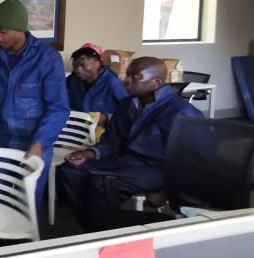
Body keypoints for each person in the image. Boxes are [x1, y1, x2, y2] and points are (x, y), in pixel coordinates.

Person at [56, 57, 201, 232]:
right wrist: (89, 154)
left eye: (136, 76)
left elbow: (194, 161)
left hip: (157, 169)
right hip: (124, 161)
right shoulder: (127, 104)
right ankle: (93, 226)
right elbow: (112, 140)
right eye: (128, 74)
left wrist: (166, 191)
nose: (127, 80)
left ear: (156, 82)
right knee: (69, 171)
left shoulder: (181, 112)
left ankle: (109, 230)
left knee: (100, 183)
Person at [0, 0, 70, 211]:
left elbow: (58, 108)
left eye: (2, 31)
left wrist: (40, 143)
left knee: (27, 205)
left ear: (20, 29)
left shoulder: (48, 58)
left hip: (33, 140)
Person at [66, 43, 128, 124]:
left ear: (98, 63)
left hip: (106, 129)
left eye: (83, 65)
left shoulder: (114, 84)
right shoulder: (72, 81)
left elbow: (129, 113)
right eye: (75, 66)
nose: (78, 70)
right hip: (78, 127)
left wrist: (107, 118)